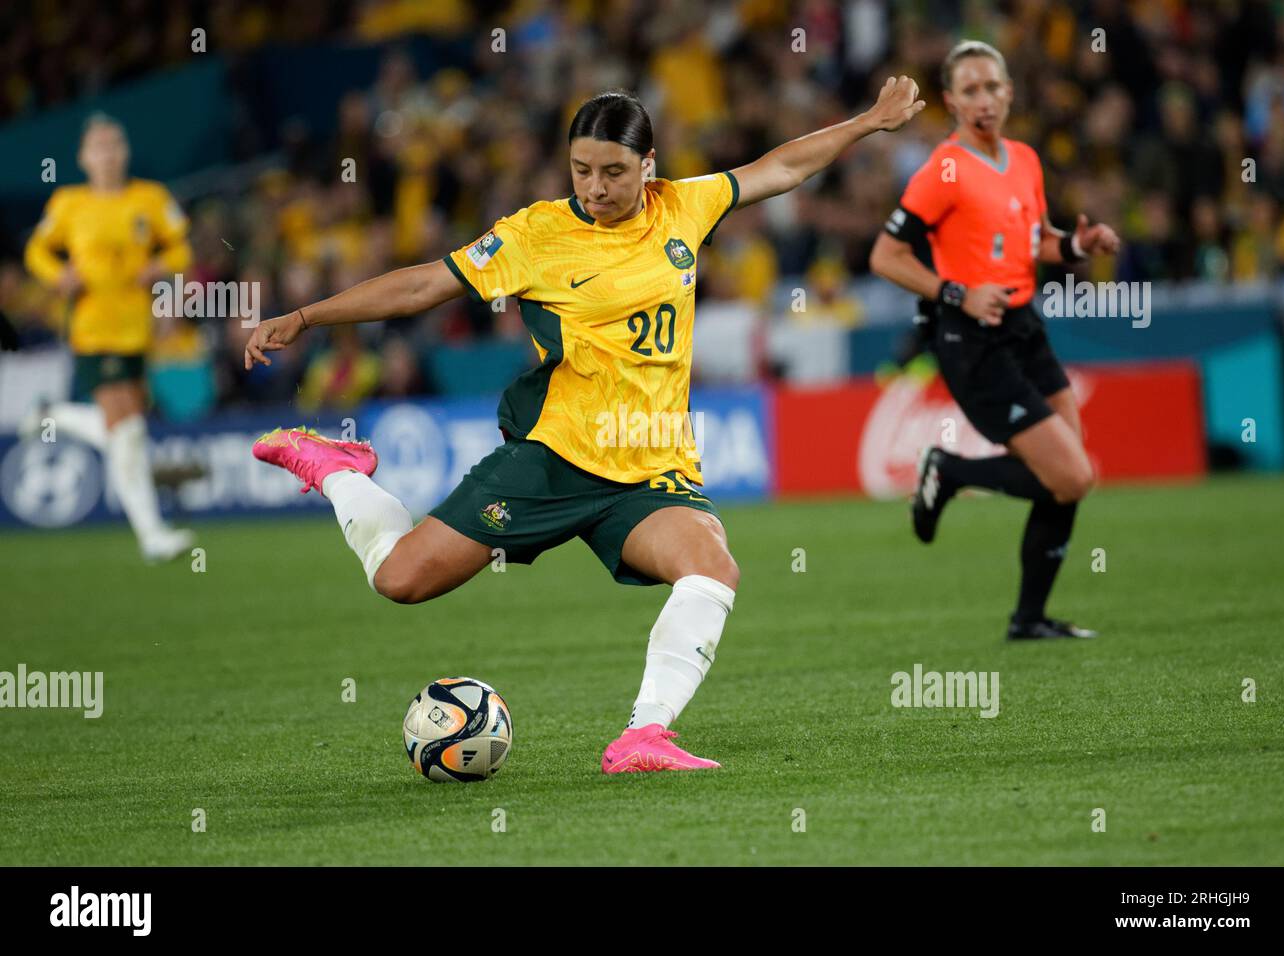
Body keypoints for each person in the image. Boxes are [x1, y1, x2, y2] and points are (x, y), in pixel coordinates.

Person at [244, 79, 925, 773]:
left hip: (649, 471)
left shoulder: (685, 209)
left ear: (649, 166)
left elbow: (782, 167)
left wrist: (868, 121)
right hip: (553, 460)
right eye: (581, 170)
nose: (595, 188)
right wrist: (307, 317)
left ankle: (643, 737)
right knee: (399, 578)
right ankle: (336, 469)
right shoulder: (536, 234)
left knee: (712, 566)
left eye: (613, 172)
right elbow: (424, 285)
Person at [870, 41, 1120, 640]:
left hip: (1024, 326)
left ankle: (1029, 618)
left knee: (1069, 480)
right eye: (971, 91)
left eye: (993, 87)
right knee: (1074, 476)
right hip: (970, 338)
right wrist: (954, 292)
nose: (984, 100)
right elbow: (886, 255)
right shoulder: (944, 168)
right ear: (952, 101)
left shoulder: (1026, 160)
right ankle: (950, 471)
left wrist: (1079, 247)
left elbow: (1035, 242)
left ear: (1009, 92)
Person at [23, 114, 195, 561]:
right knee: (130, 431)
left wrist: (162, 265)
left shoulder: (150, 198)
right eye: (98, 146)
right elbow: (36, 250)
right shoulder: (68, 203)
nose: (108, 153)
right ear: (83, 157)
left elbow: (182, 245)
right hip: (92, 327)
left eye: (115, 143)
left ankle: (54, 415)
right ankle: (152, 535)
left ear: (126, 151)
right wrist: (59, 275)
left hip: (137, 329)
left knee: (126, 432)